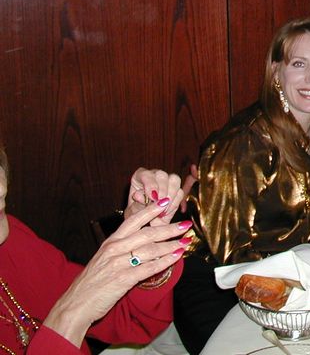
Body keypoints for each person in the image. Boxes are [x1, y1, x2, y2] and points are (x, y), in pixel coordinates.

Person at [174, 17, 310, 354]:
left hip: (272, 276)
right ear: (275, 73)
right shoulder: (246, 141)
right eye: (298, 64)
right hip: (214, 285)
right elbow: (230, 254)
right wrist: (293, 293)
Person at [0, 143, 190, 354]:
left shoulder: (12, 242)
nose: (2, 189)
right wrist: (69, 317)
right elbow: (80, 308)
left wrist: (142, 239)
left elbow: (128, 319)